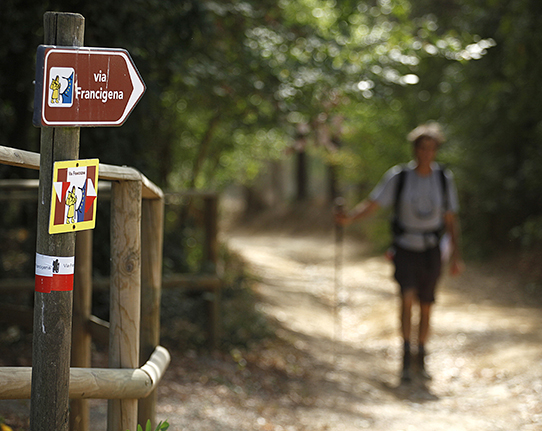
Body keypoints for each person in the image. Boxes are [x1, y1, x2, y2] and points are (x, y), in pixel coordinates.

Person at [335, 122, 464, 382]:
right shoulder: (399, 176)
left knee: (426, 305)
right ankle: (406, 356)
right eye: (421, 147)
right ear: (414, 149)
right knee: (406, 298)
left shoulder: (443, 179)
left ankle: (421, 355)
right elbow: (374, 204)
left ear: (436, 150)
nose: (425, 153)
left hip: (431, 250)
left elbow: (450, 219)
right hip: (405, 248)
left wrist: (457, 256)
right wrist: (349, 219)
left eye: (430, 148)